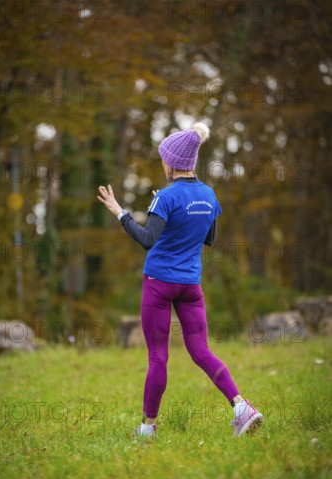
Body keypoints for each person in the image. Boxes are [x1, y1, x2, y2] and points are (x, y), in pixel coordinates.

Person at [97, 122, 263, 437]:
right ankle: (242, 407)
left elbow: (147, 239)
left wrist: (121, 212)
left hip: (159, 283)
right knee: (201, 349)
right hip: (191, 286)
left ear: (171, 162)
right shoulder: (209, 194)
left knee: (158, 356)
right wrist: (172, 212)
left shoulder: (167, 197)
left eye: (163, 157)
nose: (162, 162)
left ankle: (147, 430)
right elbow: (209, 237)